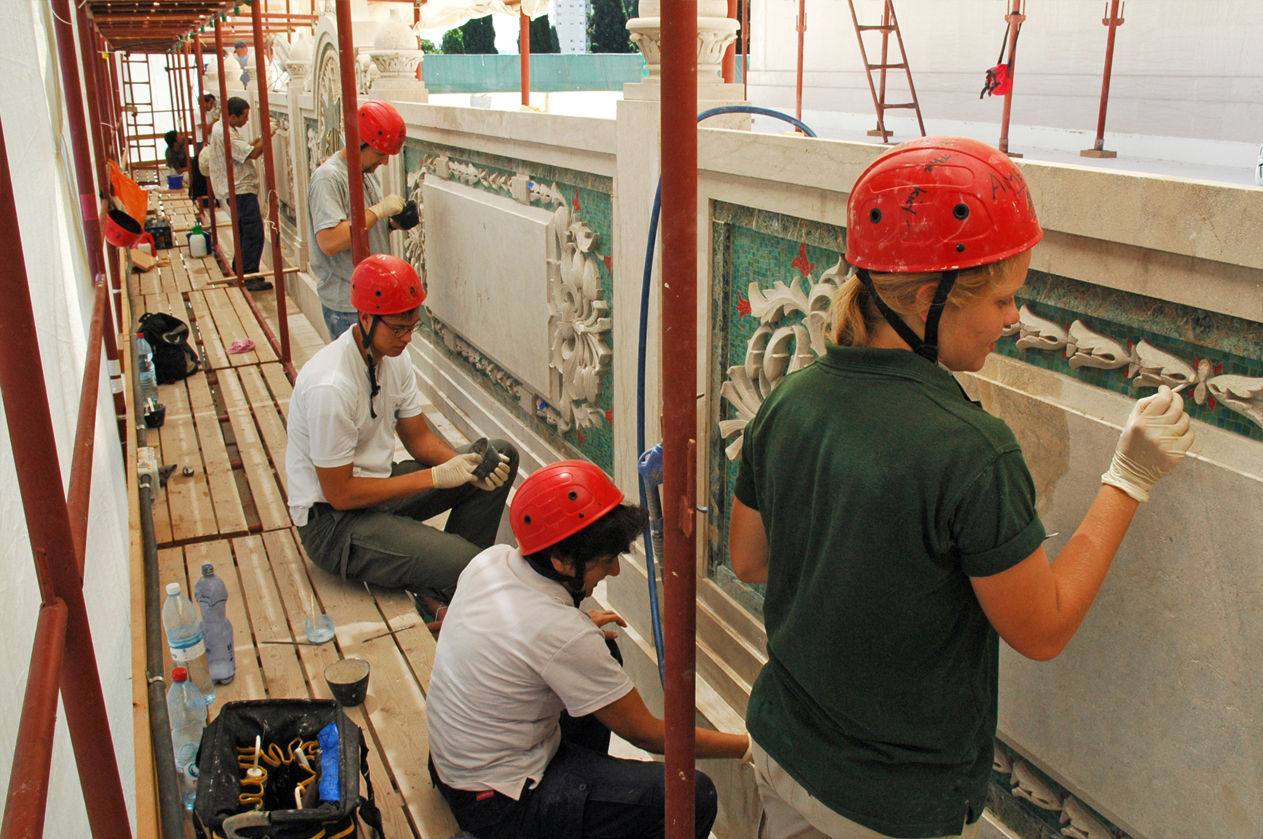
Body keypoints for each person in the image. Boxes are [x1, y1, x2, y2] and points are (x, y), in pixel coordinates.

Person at [727, 136, 1194, 839]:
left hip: (779, 748)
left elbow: (749, 560)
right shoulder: (969, 449)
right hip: (887, 807)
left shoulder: (790, 399)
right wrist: (1126, 479)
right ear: (928, 298)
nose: (1013, 318)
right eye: (1003, 296)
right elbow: (1041, 629)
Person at [427, 459, 751, 839]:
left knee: (604, 651)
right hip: (499, 806)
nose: (614, 571)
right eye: (605, 561)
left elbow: (494, 633)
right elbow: (646, 735)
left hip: (455, 768)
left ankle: (586, 802)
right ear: (561, 561)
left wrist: (577, 631)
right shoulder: (559, 634)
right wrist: (748, 748)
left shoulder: (491, 561)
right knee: (694, 794)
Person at [286, 254, 517, 615]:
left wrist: (463, 465)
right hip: (333, 524)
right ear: (365, 318)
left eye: (413, 326)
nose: (407, 338)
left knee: (499, 455)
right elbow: (341, 494)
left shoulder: (394, 357)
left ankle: (445, 584)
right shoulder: (330, 387)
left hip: (375, 488)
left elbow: (419, 439)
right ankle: (454, 574)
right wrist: (436, 477)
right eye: (398, 328)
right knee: (475, 564)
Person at [308, 100, 409, 339]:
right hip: (347, 305)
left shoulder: (365, 172)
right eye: (380, 153)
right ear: (358, 143)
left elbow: (363, 229)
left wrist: (392, 223)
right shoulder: (328, 178)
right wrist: (377, 211)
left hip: (372, 298)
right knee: (358, 374)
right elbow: (330, 242)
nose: (384, 162)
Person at [208, 96, 272, 292]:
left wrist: (261, 138)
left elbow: (246, 148)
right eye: (244, 117)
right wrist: (268, 136)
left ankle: (241, 271)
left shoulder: (224, 129)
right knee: (253, 233)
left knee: (244, 233)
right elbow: (252, 153)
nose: (246, 121)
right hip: (239, 190)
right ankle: (248, 275)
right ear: (233, 116)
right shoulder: (224, 134)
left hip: (237, 189)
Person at [190, 93, 218, 207]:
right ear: (204, 103)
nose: (212, 106)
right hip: (202, 142)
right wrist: (216, 118)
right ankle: (204, 196)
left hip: (208, 142)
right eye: (211, 103)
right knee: (204, 169)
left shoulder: (208, 114)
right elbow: (206, 130)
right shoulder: (197, 113)